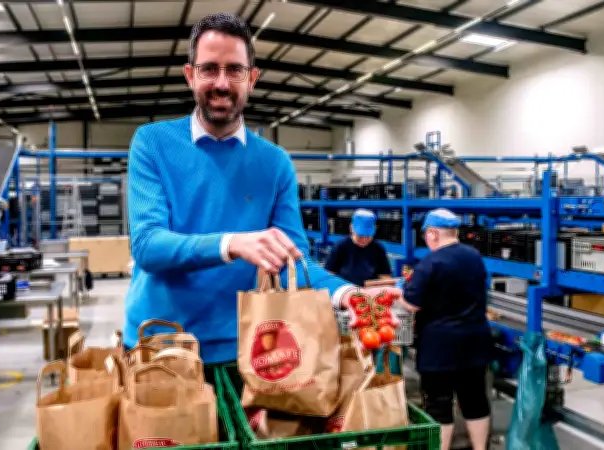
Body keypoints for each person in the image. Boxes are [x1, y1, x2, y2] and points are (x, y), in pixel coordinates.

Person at [124, 12, 400, 384]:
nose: (221, 83)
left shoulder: (274, 163)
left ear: (251, 79)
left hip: (249, 349)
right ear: (190, 75)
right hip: (162, 347)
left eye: (234, 70)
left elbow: (297, 264)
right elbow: (147, 246)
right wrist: (232, 243)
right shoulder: (152, 143)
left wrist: (348, 294)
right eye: (209, 69)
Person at [401, 208, 492, 450]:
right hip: (474, 342)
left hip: (439, 347)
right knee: (475, 400)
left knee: (439, 402)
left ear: (432, 233)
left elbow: (411, 304)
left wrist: (397, 295)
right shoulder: (474, 256)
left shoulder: (430, 263)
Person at [325, 209, 393, 286]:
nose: (364, 240)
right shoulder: (340, 246)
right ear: (351, 228)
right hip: (345, 290)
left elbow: (385, 276)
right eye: (360, 236)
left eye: (368, 236)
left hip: (370, 290)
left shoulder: (378, 248)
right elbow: (329, 275)